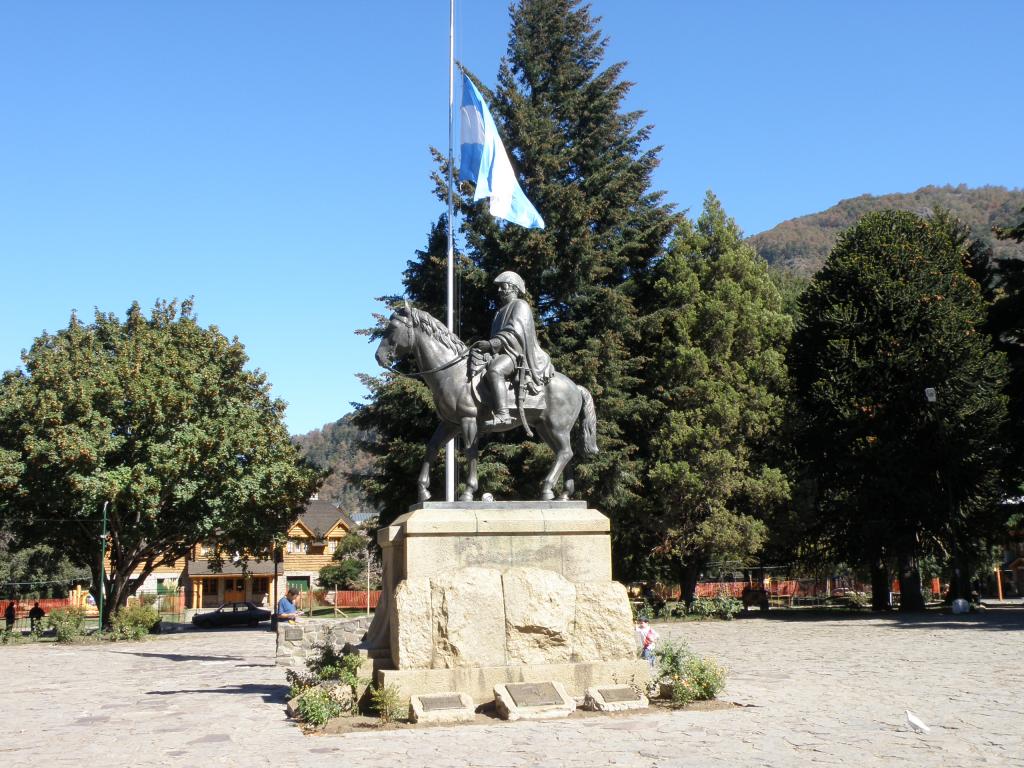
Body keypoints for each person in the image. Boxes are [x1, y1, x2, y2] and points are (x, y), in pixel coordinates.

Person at [470, 271, 554, 425]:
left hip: (516, 354)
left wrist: (492, 344)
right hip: (501, 352)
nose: (499, 291)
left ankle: (503, 414)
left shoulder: (520, 305)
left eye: (503, 287)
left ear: (513, 288)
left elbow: (515, 331)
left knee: (495, 370)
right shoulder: (499, 312)